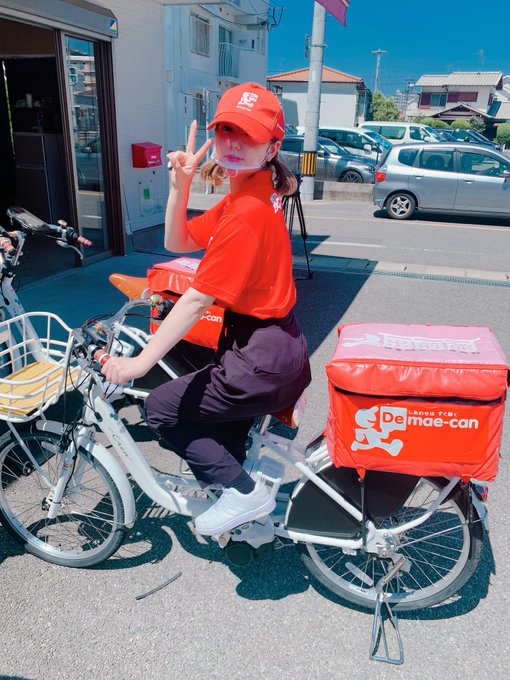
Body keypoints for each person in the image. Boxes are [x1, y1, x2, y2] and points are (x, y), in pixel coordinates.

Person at [101, 82, 311, 536]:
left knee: (161, 408)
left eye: (248, 135)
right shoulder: (248, 193)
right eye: (225, 130)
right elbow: (177, 241)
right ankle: (246, 518)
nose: (233, 143)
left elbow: (197, 299)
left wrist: (138, 363)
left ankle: (246, 495)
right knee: (222, 437)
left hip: (259, 357)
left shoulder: (246, 210)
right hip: (271, 347)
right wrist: (180, 185)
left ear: (272, 147)